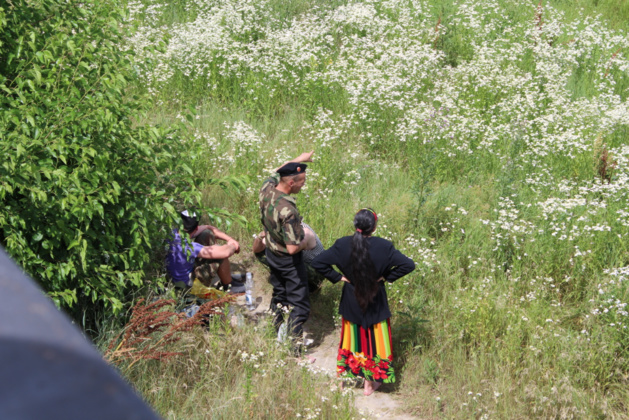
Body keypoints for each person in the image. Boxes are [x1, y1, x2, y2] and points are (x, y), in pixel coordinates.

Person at [311, 208, 415, 396]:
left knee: (349, 340)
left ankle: (341, 381)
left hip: (351, 300)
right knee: (375, 342)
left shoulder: (342, 244)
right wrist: (385, 276)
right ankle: (369, 385)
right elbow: (409, 265)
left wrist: (338, 277)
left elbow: (318, 262)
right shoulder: (385, 247)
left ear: (356, 224)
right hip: (376, 301)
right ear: (374, 227)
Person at [259, 151, 314, 354]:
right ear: (291, 183)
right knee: (300, 306)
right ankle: (293, 348)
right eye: (302, 182)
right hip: (288, 261)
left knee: (280, 295)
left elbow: (275, 172)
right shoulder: (288, 210)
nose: (303, 185)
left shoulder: (266, 191)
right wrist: (308, 241)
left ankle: (274, 332)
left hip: (272, 254)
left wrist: (298, 159)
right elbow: (292, 248)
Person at [167, 210, 244, 293]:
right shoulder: (189, 247)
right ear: (196, 228)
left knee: (206, 233)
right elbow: (225, 252)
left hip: (176, 277)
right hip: (188, 287)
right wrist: (232, 245)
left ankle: (227, 276)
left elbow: (207, 227)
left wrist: (229, 239)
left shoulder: (173, 234)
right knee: (219, 254)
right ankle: (229, 286)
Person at [252, 221, 325, 293]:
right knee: (263, 253)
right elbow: (257, 250)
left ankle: (311, 286)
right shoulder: (280, 231)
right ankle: (286, 281)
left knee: (285, 258)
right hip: (302, 263)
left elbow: (291, 251)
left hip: (317, 270)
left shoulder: (304, 232)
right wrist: (260, 237)